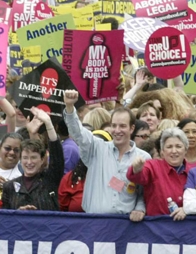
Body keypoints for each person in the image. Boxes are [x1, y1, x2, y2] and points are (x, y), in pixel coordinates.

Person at [63, 90, 151, 221]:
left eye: (122, 126)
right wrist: (70, 107)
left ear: (132, 129)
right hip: (95, 224)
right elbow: (78, 132)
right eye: (114, 125)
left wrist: (139, 208)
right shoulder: (96, 148)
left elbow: (144, 192)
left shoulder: (144, 157)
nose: (117, 130)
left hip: (125, 227)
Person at [2, 107, 64, 211]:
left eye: (34, 157)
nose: (29, 162)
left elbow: (57, 156)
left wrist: (48, 124)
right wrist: (18, 213)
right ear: (20, 160)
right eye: (25, 158)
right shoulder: (9, 186)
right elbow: (5, 220)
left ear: (42, 159)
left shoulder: (50, 179)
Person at [127, 128, 189, 219]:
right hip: (157, 228)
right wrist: (136, 169)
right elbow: (140, 177)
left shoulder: (193, 172)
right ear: (162, 152)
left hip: (186, 228)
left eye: (178, 146)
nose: (174, 151)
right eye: (169, 147)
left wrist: (186, 209)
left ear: (186, 150)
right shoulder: (152, 166)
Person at [58, 130, 113, 212]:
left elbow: (122, 201)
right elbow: (62, 212)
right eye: (90, 148)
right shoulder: (69, 179)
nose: (94, 153)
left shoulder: (115, 177)